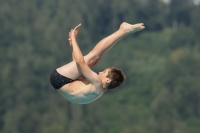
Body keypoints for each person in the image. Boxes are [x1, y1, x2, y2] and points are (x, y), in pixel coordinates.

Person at [50, 22, 145, 104]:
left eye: (104, 72)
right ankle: (123, 31)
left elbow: (80, 62)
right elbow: (78, 69)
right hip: (62, 82)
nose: (100, 72)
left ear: (108, 80)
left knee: (94, 57)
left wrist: (74, 39)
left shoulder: (97, 83)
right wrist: (72, 46)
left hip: (60, 78)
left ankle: (123, 30)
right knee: (93, 60)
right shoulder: (98, 91)